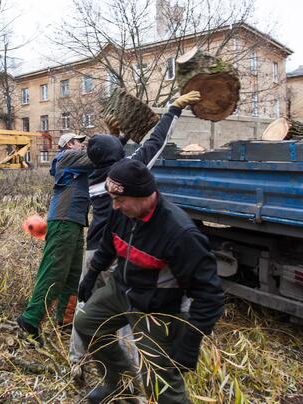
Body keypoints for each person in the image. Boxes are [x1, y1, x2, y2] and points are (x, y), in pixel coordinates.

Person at [69, 91, 202, 369]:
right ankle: (130, 370)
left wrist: (117, 136)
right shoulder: (126, 172)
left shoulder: (96, 176)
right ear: (117, 157)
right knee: (128, 309)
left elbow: (111, 151)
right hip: (117, 250)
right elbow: (156, 142)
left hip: (94, 250)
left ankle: (76, 361)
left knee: (87, 306)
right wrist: (173, 110)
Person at [74, 159, 224, 404]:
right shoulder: (120, 213)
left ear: (144, 196)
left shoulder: (179, 233)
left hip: (156, 307)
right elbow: (109, 244)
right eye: (112, 199)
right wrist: (92, 274)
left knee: (158, 379)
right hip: (121, 289)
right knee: (87, 324)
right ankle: (119, 385)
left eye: (120, 200)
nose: (115, 206)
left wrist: (191, 341)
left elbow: (210, 295)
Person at [16, 132, 94, 345]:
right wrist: (111, 142)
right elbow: (97, 155)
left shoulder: (77, 162)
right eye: (80, 141)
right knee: (54, 272)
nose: (82, 144)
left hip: (75, 222)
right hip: (63, 221)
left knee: (72, 275)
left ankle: (66, 323)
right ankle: (30, 320)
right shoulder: (66, 157)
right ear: (69, 144)